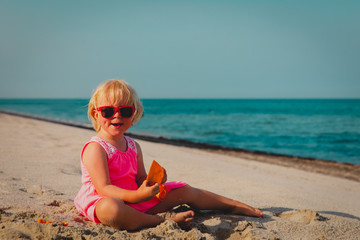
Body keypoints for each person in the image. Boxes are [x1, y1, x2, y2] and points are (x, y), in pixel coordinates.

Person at [74, 79, 263, 230]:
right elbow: (104, 188)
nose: (117, 116)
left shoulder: (133, 146)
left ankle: (231, 205)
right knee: (112, 209)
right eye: (108, 111)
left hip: (135, 200)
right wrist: (137, 196)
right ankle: (164, 222)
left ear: (134, 114)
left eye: (125, 110)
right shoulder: (96, 148)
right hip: (105, 201)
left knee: (184, 189)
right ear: (96, 114)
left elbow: (139, 178)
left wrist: (151, 183)